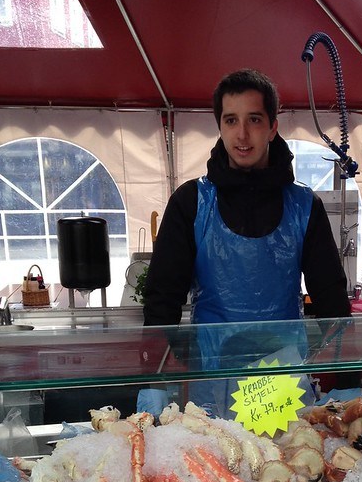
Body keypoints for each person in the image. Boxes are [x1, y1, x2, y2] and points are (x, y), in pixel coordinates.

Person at [143, 68, 350, 329]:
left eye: (254, 119)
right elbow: (162, 299)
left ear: (272, 128)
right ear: (220, 127)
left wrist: (341, 351)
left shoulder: (305, 206)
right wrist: (159, 352)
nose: (241, 134)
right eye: (231, 120)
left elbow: (331, 298)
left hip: (284, 355)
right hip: (211, 356)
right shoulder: (190, 202)